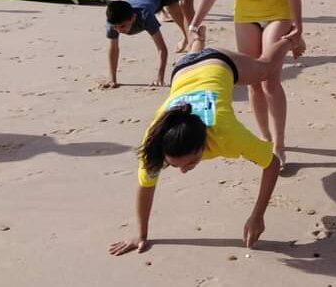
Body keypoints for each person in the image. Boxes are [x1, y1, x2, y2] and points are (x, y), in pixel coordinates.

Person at [108, 27, 288, 256]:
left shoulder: (225, 133)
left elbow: (271, 164)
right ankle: (196, 40)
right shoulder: (156, 140)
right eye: (176, 165)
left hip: (218, 62)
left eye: (191, 162)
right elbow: (145, 187)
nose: (183, 171)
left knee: (264, 68)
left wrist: (258, 215)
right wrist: (140, 233)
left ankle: (289, 40)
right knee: (194, 58)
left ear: (205, 142)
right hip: (183, 69)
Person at [189, 0, 303, 168]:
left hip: (277, 15)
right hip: (246, 17)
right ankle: (264, 140)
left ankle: (279, 144)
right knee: (253, 84)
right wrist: (195, 21)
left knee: (271, 80)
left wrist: (298, 27)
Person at [104, 0, 206, 88]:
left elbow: (162, 48)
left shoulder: (145, 16)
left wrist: (160, 77)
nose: (119, 30)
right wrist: (112, 79)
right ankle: (185, 37)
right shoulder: (112, 22)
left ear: (133, 18)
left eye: (123, 26)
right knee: (174, 9)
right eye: (116, 27)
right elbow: (113, 49)